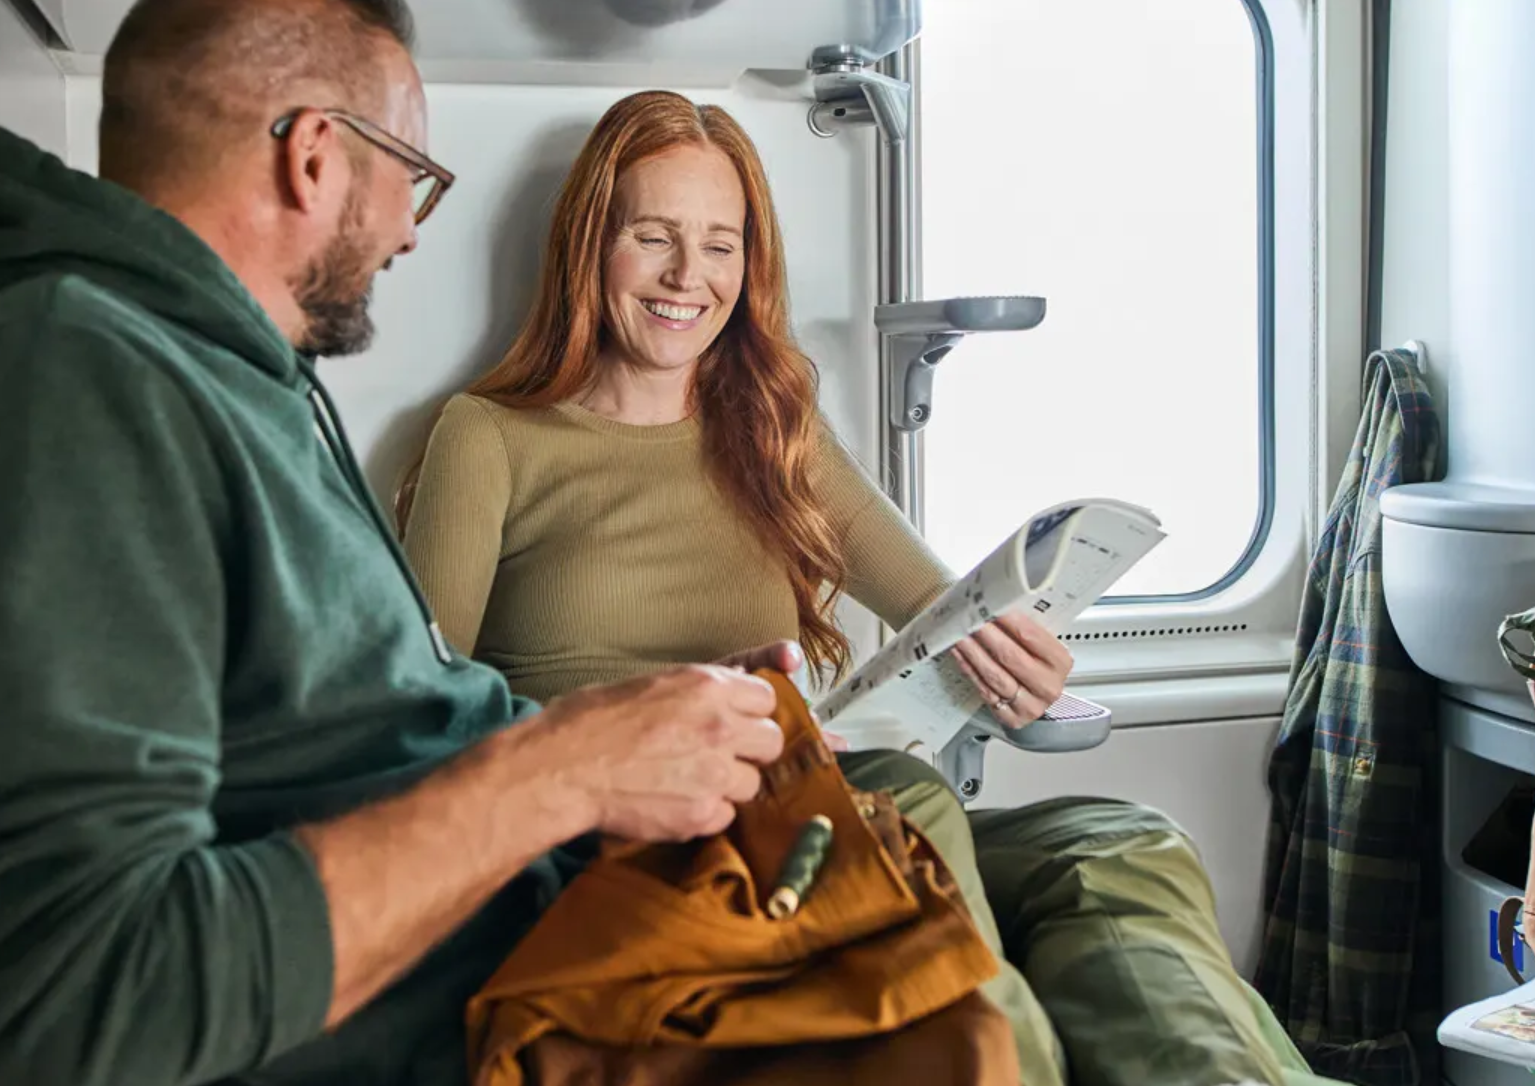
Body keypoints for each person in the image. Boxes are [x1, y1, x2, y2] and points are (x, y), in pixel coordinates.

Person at [0, 4, 816, 1086]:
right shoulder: (60, 387)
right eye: (411, 172)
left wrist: (642, 746)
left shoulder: (224, 380)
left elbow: (379, 731)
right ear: (315, 158)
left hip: (557, 939)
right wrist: (560, 773)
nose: (410, 228)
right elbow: (93, 1002)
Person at [398, 90, 1343, 1086]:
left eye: (723, 246)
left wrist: (1022, 664)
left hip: (802, 801)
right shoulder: (490, 435)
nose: (690, 277)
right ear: (592, 244)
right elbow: (416, 725)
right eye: (655, 237)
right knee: (901, 807)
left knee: (1115, 846)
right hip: (634, 843)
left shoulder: (774, 428)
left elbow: (953, 614)